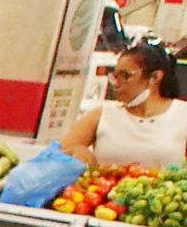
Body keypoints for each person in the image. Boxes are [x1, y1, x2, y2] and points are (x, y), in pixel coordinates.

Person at [63, 41, 187, 171]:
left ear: (155, 77)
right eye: (115, 76)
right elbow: (56, 155)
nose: (116, 83)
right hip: (103, 189)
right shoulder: (102, 115)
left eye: (125, 75)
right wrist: (75, 151)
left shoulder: (182, 115)